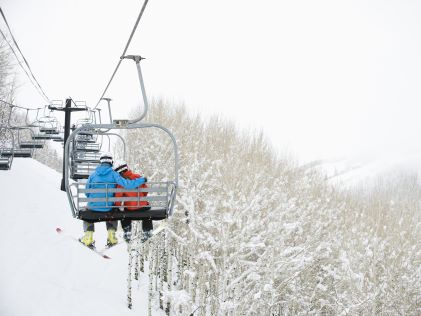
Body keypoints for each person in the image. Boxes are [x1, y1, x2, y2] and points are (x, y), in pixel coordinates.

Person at [79, 152, 147, 248]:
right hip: (108, 207)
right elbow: (127, 185)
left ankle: (88, 237)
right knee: (112, 210)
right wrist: (142, 180)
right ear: (111, 162)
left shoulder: (93, 175)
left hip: (93, 207)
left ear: (101, 162)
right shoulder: (114, 174)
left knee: (87, 213)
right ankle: (111, 237)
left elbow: (86, 192)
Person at [113, 161, 153, 242]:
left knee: (124, 212)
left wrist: (118, 206)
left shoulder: (121, 182)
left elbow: (118, 197)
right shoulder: (138, 177)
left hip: (130, 208)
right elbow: (145, 190)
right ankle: (147, 230)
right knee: (147, 211)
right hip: (142, 206)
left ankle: (127, 231)